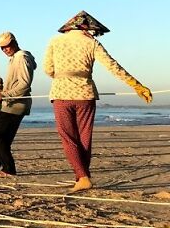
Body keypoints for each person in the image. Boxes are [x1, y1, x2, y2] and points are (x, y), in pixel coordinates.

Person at [44, 11, 153, 192]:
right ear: (85, 27)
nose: (93, 34)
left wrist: (63, 76)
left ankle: (83, 177)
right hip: (85, 93)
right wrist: (137, 85)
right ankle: (82, 177)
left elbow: (48, 69)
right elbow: (114, 67)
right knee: (85, 138)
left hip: (61, 93)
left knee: (69, 138)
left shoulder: (55, 41)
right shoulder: (91, 43)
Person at [0, 32, 36, 177]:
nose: (5, 49)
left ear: (14, 42)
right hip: (11, 103)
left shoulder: (21, 57)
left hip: (16, 104)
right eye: (2, 48)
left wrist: (3, 95)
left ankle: (9, 169)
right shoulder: (14, 59)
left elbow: (24, 84)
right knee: (3, 137)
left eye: (7, 46)